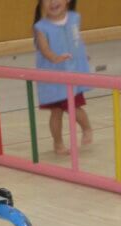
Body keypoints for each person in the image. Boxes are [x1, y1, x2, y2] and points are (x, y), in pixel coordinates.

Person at [34, 0, 94, 154]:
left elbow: (76, 39)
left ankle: (87, 128)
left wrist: (82, 53)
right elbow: (44, 49)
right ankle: (58, 144)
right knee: (56, 112)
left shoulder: (74, 18)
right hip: (53, 77)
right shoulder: (41, 27)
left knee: (74, 107)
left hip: (71, 74)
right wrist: (54, 58)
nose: (53, 2)